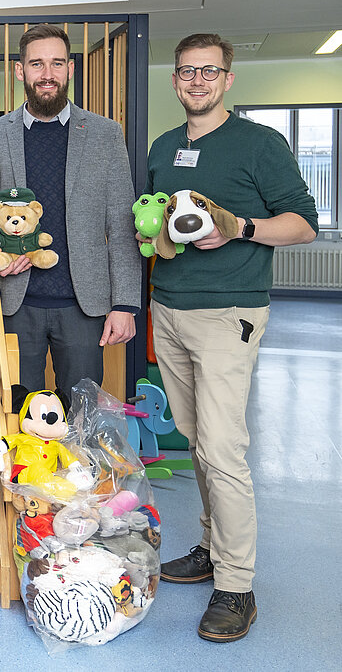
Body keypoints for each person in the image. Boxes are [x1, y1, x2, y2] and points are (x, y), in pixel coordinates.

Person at [145, 33, 318, 643]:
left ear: (228, 79)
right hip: (168, 309)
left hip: (229, 313)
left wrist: (240, 227)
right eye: (187, 71)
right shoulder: (164, 147)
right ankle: (212, 549)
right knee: (195, 443)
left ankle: (236, 586)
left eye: (209, 71)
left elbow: (303, 223)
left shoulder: (259, 144)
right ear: (175, 79)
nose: (197, 81)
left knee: (223, 448)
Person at [0, 24, 141, 396]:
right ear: (20, 71)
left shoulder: (105, 135)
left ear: (70, 69)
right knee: (21, 416)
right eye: (37, 64)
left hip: (85, 306)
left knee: (83, 417)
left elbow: (123, 224)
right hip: (15, 302)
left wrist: (124, 303)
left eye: (57, 64)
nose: (47, 75)